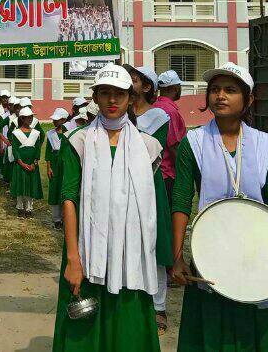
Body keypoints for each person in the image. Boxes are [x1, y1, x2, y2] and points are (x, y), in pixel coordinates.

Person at [170, 62, 268, 352]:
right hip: (212, 251)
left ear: (248, 100)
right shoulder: (193, 143)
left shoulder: (264, 144)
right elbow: (181, 201)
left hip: (259, 249)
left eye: (230, 90)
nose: (220, 96)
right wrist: (178, 256)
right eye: (215, 89)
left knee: (262, 320)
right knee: (214, 321)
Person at [52, 63, 163, 352]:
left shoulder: (148, 147)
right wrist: (74, 259)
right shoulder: (78, 141)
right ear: (96, 98)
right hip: (88, 249)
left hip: (131, 251)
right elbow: (69, 199)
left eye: (119, 94)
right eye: (105, 93)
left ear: (131, 98)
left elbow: (153, 209)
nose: (112, 101)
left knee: (128, 326)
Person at [124, 65, 173, 335]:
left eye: (135, 78)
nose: (130, 82)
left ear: (147, 87)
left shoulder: (158, 117)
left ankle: (159, 306)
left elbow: (149, 152)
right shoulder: (115, 112)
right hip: (121, 185)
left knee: (154, 246)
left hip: (148, 186)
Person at [154, 70, 186, 207]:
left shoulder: (154, 106)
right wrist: (185, 171)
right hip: (167, 174)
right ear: (174, 88)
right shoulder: (170, 111)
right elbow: (173, 145)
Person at [10, 107, 43, 218]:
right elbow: (15, 149)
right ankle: (19, 207)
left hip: (31, 163)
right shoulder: (16, 133)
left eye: (31, 117)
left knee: (30, 185)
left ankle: (29, 208)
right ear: (22, 119)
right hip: (21, 164)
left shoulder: (36, 133)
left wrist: (34, 163)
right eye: (28, 117)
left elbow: (37, 149)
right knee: (20, 184)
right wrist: (21, 163)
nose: (30, 119)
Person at [46, 107, 70, 229]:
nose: (54, 122)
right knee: (55, 188)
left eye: (57, 119)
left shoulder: (69, 133)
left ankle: (66, 217)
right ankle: (57, 219)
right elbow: (48, 153)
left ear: (64, 120)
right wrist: (49, 167)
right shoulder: (50, 134)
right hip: (55, 164)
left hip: (66, 164)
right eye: (54, 120)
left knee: (65, 189)